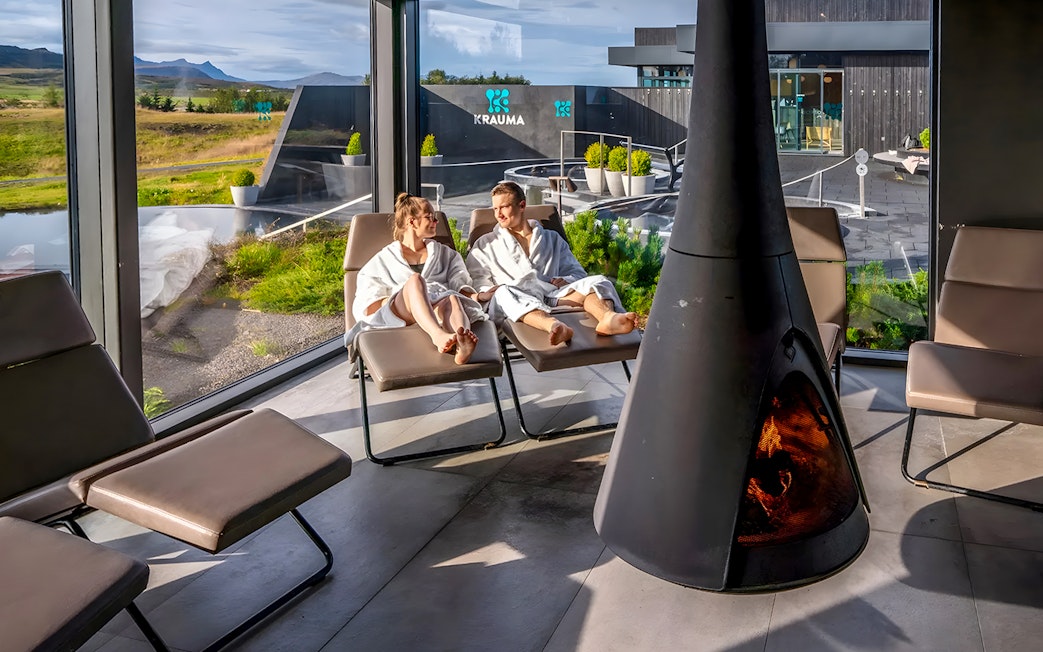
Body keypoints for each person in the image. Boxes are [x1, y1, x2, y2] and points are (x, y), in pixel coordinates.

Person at [466, 181, 637, 345]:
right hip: (515, 300)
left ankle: (607, 317)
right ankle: (554, 326)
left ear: (522, 205)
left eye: (504, 207)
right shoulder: (485, 244)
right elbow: (478, 281)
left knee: (599, 281)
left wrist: (567, 280)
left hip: (553, 296)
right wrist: (486, 293)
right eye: (495, 208)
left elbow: (577, 273)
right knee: (503, 293)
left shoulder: (551, 238)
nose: (498, 214)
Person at [350, 192, 491, 365]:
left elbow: (461, 284)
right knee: (415, 281)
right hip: (401, 310)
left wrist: (477, 296)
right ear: (412, 221)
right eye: (429, 217)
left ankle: (461, 343)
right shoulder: (384, 259)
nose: (435, 222)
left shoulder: (446, 254)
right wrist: (417, 298)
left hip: (438, 306)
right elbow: (368, 301)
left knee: (453, 298)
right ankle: (438, 336)